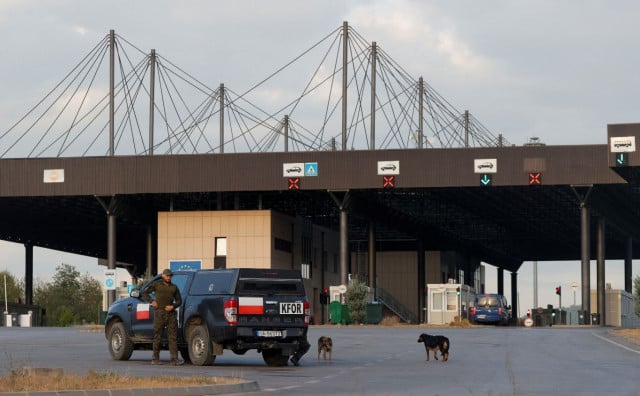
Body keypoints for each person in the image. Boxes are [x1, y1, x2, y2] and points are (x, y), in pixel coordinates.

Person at [141, 268, 183, 365]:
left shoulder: (174, 287)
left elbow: (179, 301)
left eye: (170, 276)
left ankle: (174, 360)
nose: (169, 277)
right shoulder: (157, 284)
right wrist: (152, 301)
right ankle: (155, 359)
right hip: (159, 313)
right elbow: (144, 293)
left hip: (171, 314)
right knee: (158, 336)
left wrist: (173, 306)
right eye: (167, 276)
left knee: (173, 337)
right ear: (163, 276)